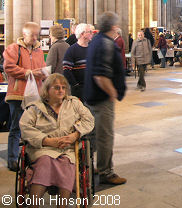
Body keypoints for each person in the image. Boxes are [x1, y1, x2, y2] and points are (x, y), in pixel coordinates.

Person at [19, 74, 94, 207]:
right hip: (43, 148)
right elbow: (25, 127)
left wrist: (75, 135)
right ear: (47, 90)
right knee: (45, 162)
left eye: (63, 88)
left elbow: (89, 119)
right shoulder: (35, 108)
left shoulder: (73, 103)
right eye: (57, 87)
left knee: (66, 163)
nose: (61, 90)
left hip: (67, 149)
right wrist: (46, 141)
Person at [84, 11, 126, 185]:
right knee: (105, 136)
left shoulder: (96, 41)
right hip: (101, 98)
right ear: (113, 26)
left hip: (91, 96)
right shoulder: (106, 44)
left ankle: (89, 165)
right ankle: (106, 172)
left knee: (92, 135)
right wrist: (112, 93)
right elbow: (100, 75)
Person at [3, 22, 47, 171]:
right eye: (32, 35)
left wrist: (43, 74)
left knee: (33, 127)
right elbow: (8, 67)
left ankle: (30, 157)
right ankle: (13, 159)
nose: (35, 38)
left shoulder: (39, 51)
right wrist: (28, 72)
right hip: (18, 94)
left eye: (37, 35)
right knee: (16, 127)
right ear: (24, 34)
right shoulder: (14, 48)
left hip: (35, 95)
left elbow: (40, 67)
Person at [63, 23, 94, 101]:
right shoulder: (72, 50)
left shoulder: (93, 49)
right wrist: (76, 86)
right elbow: (66, 70)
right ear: (82, 34)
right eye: (89, 32)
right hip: (79, 89)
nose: (92, 34)